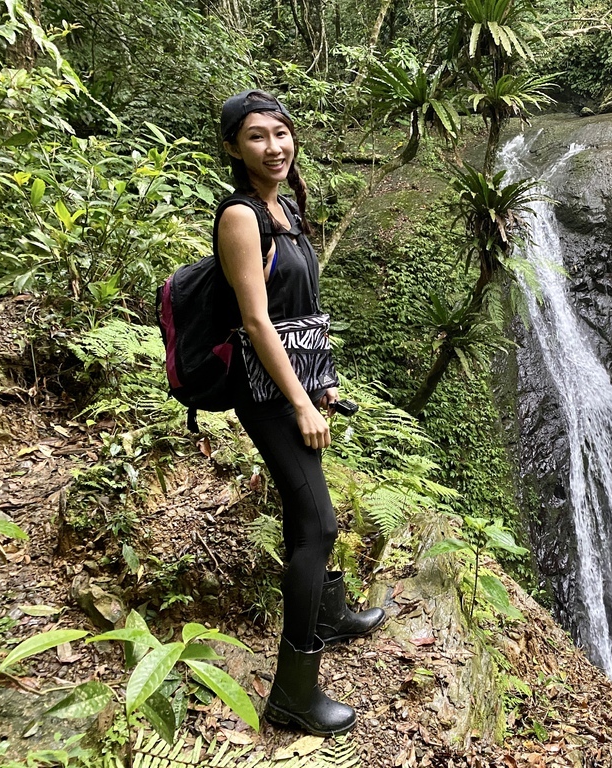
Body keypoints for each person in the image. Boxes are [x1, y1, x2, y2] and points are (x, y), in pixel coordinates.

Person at [215, 90, 385, 736]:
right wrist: (298, 400)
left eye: (281, 133)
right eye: (257, 136)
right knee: (319, 525)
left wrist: (324, 385)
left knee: (305, 514)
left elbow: (302, 306)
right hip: (266, 394)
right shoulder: (240, 218)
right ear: (234, 147)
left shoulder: (283, 208)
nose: (274, 146)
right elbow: (257, 321)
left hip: (298, 387)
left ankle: (328, 617)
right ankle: (292, 691)